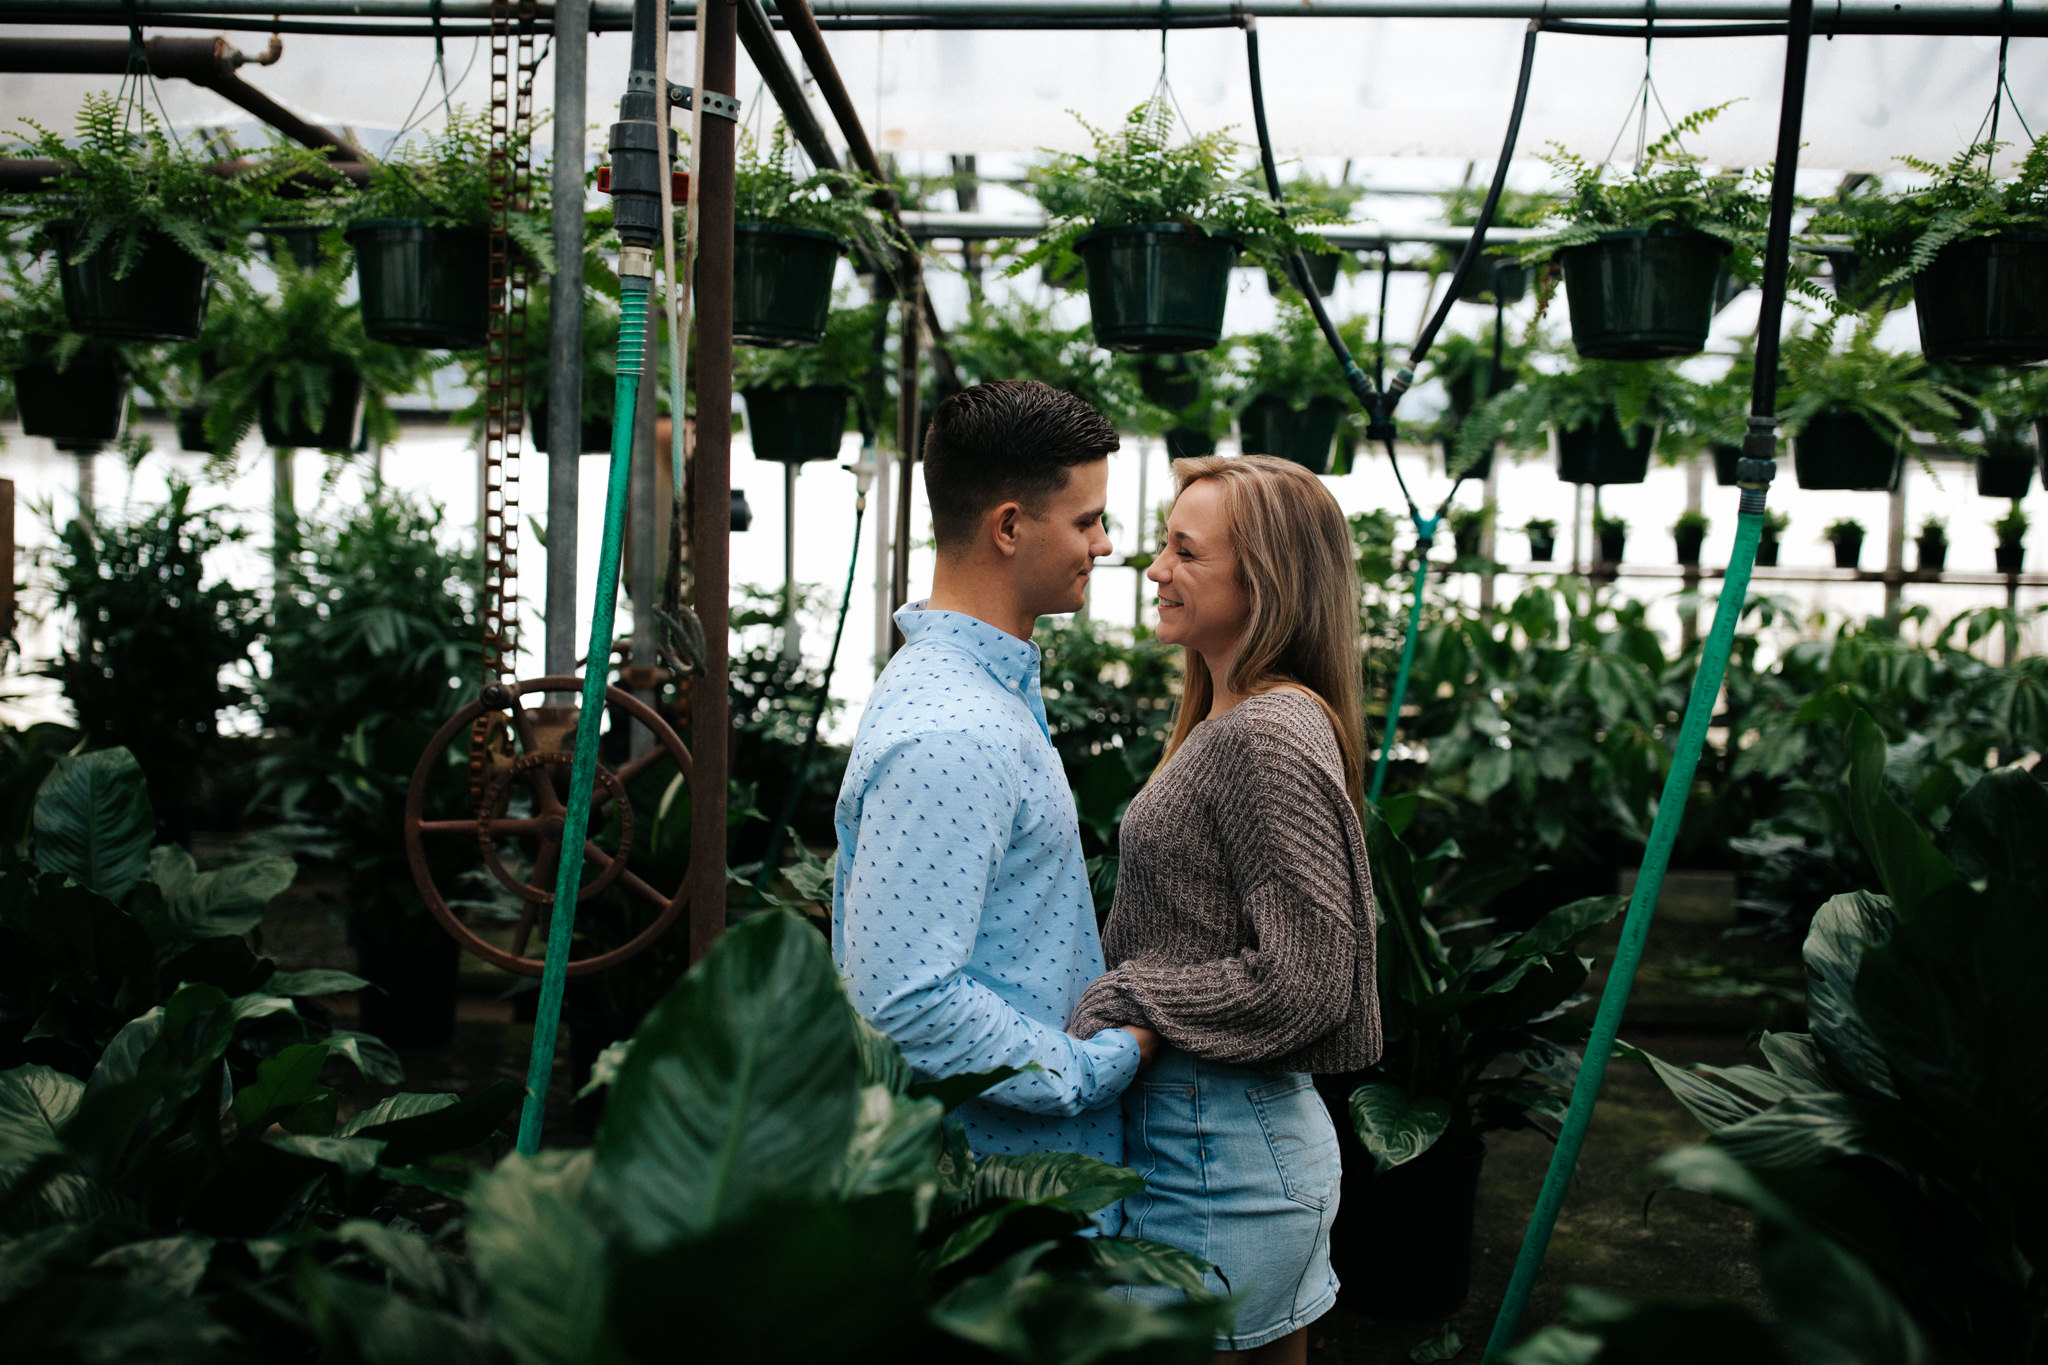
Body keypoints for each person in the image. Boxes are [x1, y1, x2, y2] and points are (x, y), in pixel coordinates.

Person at [1069, 453, 1382, 1363]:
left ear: (1266, 580)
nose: (1155, 568)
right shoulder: (1234, 715)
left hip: (1222, 1151)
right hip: (1221, 1141)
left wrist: (1133, 997)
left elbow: (1308, 977)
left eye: (1185, 551)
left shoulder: (1265, 732)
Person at [832, 380, 1160, 1168]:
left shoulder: (979, 693)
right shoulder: (956, 730)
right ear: (1009, 527)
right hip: (1004, 1202)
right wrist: (1103, 1064)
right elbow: (906, 1002)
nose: (1106, 543)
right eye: (1087, 520)